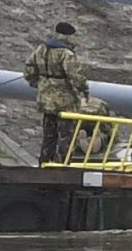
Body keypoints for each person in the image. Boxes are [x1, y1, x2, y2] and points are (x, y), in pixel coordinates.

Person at [23, 21, 90, 164]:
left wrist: (37, 83)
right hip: (64, 102)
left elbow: (28, 68)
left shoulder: (41, 49)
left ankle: (44, 163)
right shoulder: (66, 53)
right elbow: (75, 75)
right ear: (68, 36)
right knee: (65, 137)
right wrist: (84, 89)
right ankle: (61, 165)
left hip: (45, 99)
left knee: (48, 136)